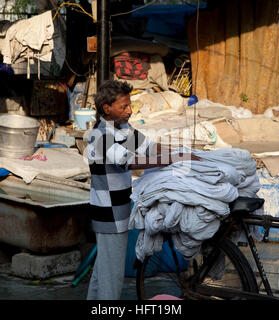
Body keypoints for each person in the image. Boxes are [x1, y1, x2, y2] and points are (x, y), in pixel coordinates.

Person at [85, 80, 200, 300]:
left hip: (119, 207)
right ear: (107, 109)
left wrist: (180, 153)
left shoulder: (122, 129)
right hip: (108, 212)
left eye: (130, 105)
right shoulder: (98, 136)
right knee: (112, 276)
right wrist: (172, 159)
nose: (129, 111)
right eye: (123, 107)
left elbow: (148, 148)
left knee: (104, 269)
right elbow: (129, 162)